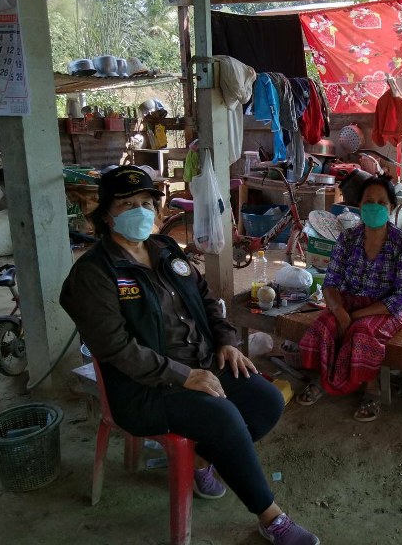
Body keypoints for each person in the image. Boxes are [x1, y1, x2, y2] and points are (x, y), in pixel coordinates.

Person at [60, 165, 319, 545]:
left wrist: (226, 341)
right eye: (127, 204)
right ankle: (271, 518)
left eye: (146, 202)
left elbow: (208, 301)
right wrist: (185, 376)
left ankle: (200, 459)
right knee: (224, 417)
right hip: (144, 388)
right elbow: (115, 348)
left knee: (266, 401)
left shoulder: (165, 250)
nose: (140, 210)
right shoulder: (94, 273)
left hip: (203, 361)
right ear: (106, 215)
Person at [296, 175, 402, 422]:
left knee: (361, 331)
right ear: (359, 205)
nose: (374, 207)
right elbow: (331, 282)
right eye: (369, 201)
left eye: (381, 202)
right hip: (349, 301)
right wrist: (339, 311)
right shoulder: (348, 238)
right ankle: (323, 377)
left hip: (386, 307)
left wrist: (355, 316)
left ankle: (371, 389)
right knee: (324, 325)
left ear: (392, 207)